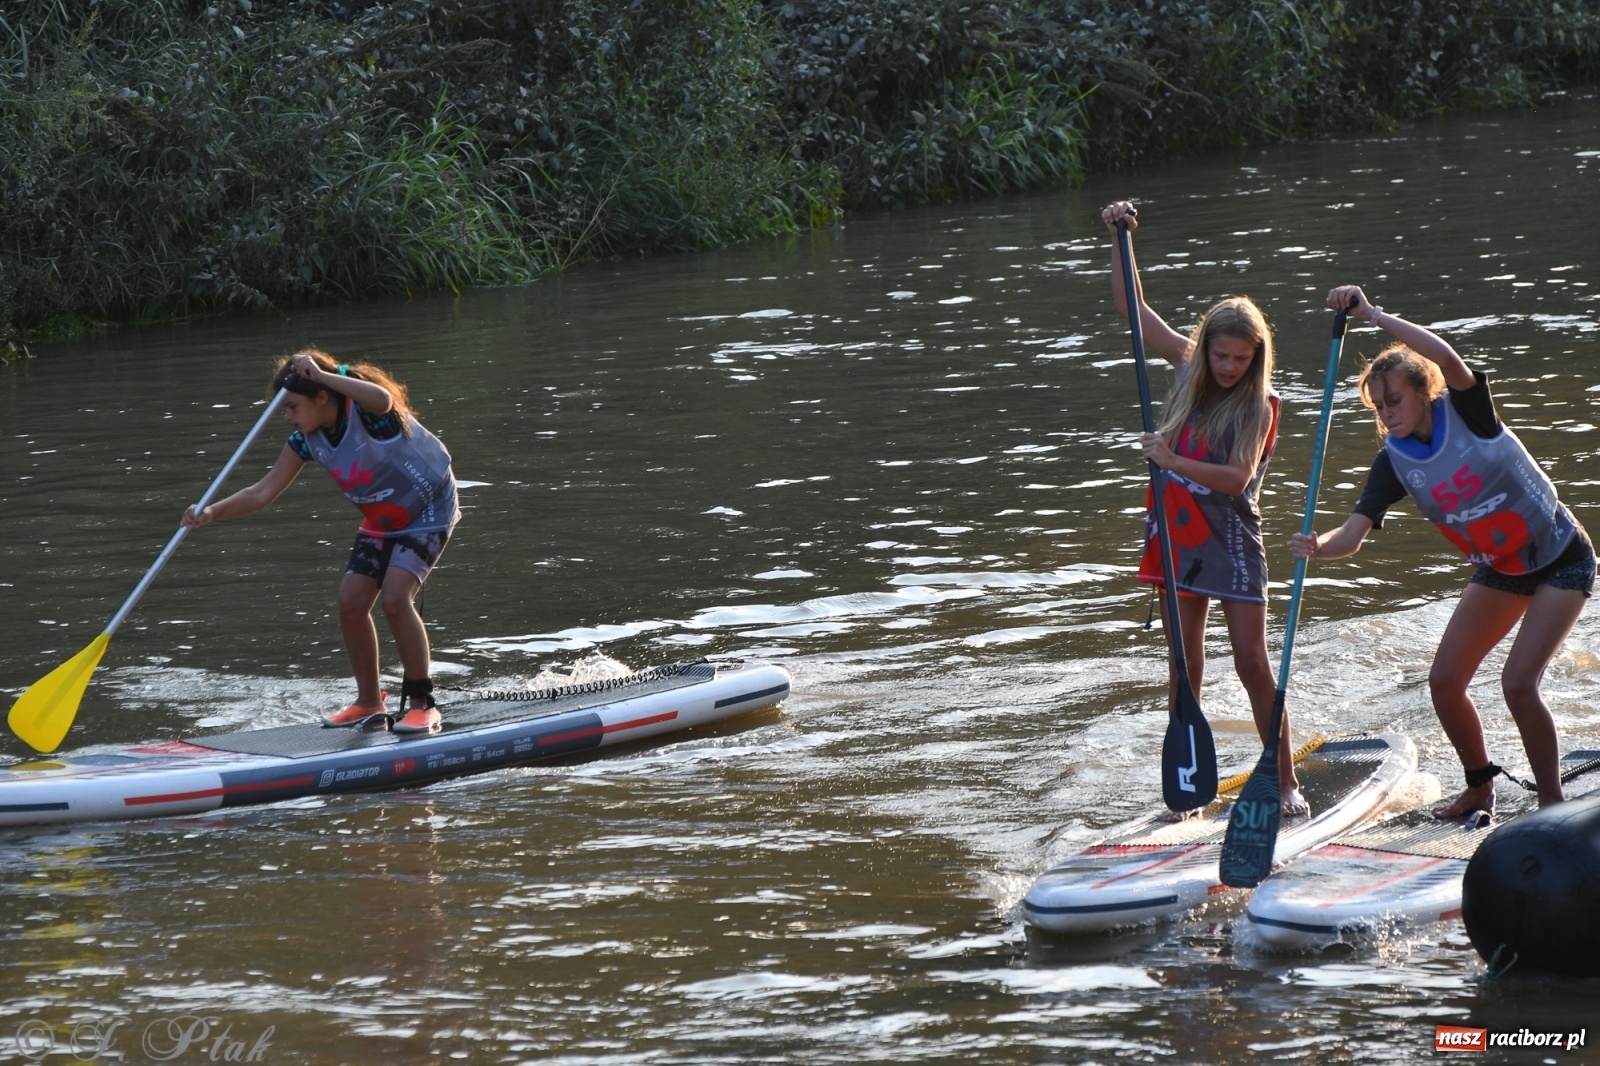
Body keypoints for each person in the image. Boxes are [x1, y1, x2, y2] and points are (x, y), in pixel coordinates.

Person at [1290, 285, 1593, 818]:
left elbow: (1446, 356)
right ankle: (1479, 786)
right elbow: (1353, 534)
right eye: (1379, 406)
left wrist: (1374, 315)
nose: (1387, 413)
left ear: (1426, 390)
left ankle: (1551, 804)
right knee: (1445, 681)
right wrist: (1319, 548)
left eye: (1396, 400)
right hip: (1503, 569)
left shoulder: (1469, 409)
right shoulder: (1394, 461)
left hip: (1561, 558)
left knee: (1518, 683)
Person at [1103, 201, 1305, 815]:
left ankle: (1285, 779)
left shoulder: (1260, 404)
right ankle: (1188, 788)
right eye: (1220, 356)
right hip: (1178, 540)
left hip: (1233, 542)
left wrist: (1169, 460)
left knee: (1250, 664)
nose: (1227, 368)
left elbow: (1235, 477)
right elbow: (1132, 313)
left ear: (1256, 358)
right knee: (1184, 667)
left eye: (1240, 359)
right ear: (1206, 347)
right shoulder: (1191, 367)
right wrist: (1120, 240)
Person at [182, 349, 460, 735]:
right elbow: (262, 491)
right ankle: (368, 703)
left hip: (428, 507)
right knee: (351, 602)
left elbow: (384, 399)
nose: (288, 416)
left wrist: (325, 374)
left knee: (397, 598)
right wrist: (210, 512)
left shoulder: (367, 413)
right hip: (382, 518)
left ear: (323, 397)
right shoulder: (306, 441)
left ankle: (421, 704)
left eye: (293, 406)